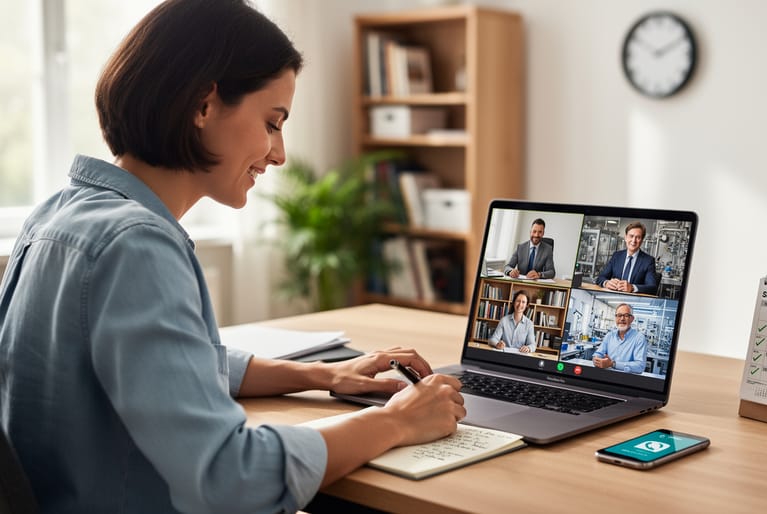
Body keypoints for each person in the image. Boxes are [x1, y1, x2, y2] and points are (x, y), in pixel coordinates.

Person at [0, 1, 465, 512]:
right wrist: (397, 420)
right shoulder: (136, 245)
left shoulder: (57, 216)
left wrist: (321, 374)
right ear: (204, 105)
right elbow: (231, 478)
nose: (279, 154)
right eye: (272, 122)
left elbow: (169, 367)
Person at [594, 221, 657, 294]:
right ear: (626, 237)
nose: (633, 240)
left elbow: (652, 287)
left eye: (638, 237)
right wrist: (606, 283)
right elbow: (600, 278)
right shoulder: (616, 256)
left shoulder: (648, 261)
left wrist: (632, 287)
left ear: (642, 240)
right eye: (631, 236)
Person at [591, 303, 648, 374]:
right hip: (606, 376)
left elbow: (640, 366)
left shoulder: (639, 338)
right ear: (615, 318)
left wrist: (613, 364)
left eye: (626, 315)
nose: (622, 319)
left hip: (626, 379)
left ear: (632, 319)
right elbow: (598, 353)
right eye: (619, 315)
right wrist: (596, 360)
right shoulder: (609, 336)